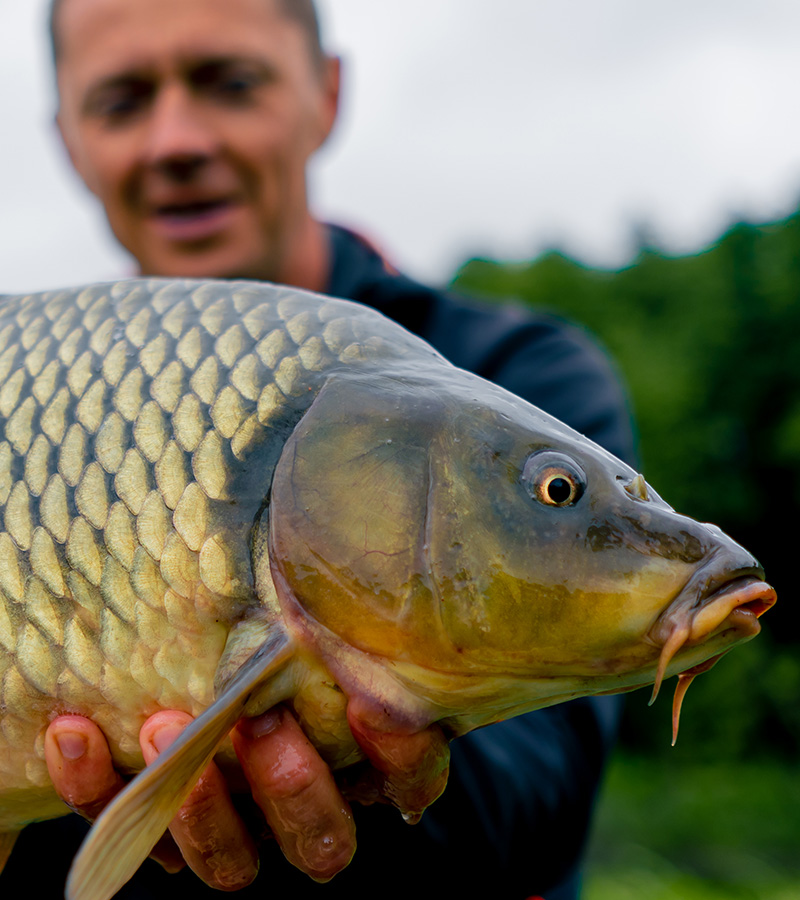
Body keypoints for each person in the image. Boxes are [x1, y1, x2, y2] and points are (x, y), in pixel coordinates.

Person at [1, 0, 637, 897]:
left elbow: (535, 807)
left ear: (325, 94)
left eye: (230, 82)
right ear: (67, 137)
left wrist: (350, 770)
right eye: (122, 101)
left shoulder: (514, 378)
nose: (176, 138)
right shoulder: (33, 401)